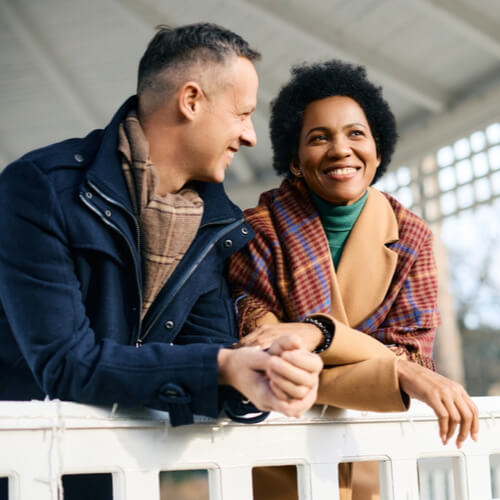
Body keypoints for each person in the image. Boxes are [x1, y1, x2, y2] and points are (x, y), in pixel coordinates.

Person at [0, 23, 322, 500]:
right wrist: (224, 366)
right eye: (243, 113)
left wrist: (267, 375)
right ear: (191, 101)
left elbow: (209, 356)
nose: (250, 136)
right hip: (17, 473)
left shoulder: (218, 227)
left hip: (111, 480)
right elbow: (66, 364)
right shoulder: (38, 189)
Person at [229, 59, 478, 500]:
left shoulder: (412, 236)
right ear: (295, 160)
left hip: (377, 458)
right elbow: (267, 357)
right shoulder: (257, 230)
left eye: (355, 133)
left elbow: (413, 354)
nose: (340, 148)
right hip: (279, 460)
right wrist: (395, 372)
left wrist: (314, 336)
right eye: (319, 137)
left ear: (378, 151)